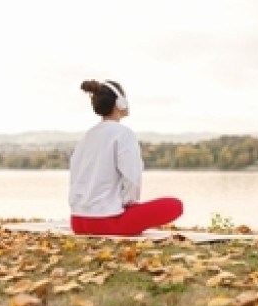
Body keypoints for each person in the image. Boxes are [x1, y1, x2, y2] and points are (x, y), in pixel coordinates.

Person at [69, 79, 183, 235]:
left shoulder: (87, 137)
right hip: (105, 223)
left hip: (77, 222)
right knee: (175, 205)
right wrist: (128, 203)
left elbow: (76, 178)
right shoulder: (123, 134)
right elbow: (132, 177)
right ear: (119, 102)